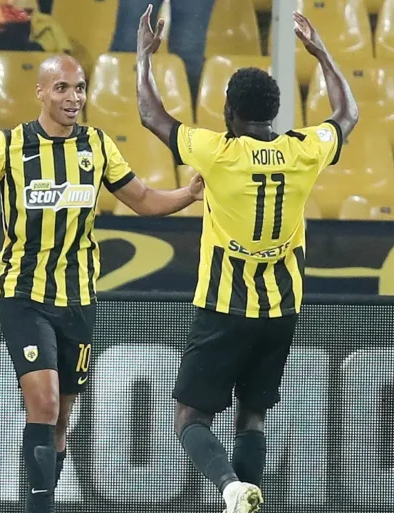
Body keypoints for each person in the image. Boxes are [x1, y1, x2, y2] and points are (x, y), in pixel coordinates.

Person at [0, 53, 203, 513]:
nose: (73, 97)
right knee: (42, 405)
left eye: (79, 87)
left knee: (62, 419)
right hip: (24, 295)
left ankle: (41, 497)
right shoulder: (10, 145)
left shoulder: (97, 145)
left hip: (79, 299)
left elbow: (143, 199)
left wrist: (190, 192)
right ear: (40, 92)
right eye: (62, 88)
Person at [136, 7, 357, 513]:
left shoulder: (219, 152)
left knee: (190, 418)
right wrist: (322, 54)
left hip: (223, 306)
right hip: (281, 309)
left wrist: (144, 57)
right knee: (252, 418)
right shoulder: (304, 150)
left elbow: (152, 115)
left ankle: (230, 487)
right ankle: (245, 501)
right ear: (273, 113)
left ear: (231, 113)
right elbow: (347, 116)